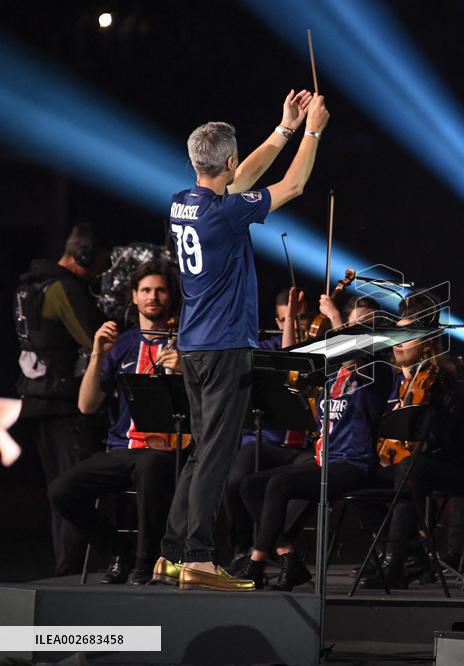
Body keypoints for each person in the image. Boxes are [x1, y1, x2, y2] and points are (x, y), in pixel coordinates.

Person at [154, 89, 330, 591]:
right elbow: (293, 186)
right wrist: (314, 129)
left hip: (192, 348)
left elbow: (241, 179)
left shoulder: (182, 204)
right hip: (226, 346)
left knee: (199, 451)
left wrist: (285, 128)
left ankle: (170, 554)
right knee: (215, 454)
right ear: (227, 160)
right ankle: (200, 560)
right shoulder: (224, 214)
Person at [234, 297, 392, 590]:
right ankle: (289, 558)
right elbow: (289, 364)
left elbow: (351, 353)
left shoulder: (379, 369)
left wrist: (334, 316)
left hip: (354, 465)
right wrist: (292, 319)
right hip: (326, 461)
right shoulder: (332, 372)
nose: (358, 328)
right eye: (354, 322)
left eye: (365, 323)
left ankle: (255, 563)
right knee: (250, 485)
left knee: (279, 485)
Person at [48, 260, 186, 585]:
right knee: (61, 491)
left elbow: (205, 407)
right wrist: (97, 354)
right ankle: (118, 550)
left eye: (161, 290)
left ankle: (145, 560)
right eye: (146, 290)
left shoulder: (187, 343)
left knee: (152, 468)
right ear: (134, 297)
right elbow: (86, 405)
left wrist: (184, 373)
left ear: (171, 297)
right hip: (121, 449)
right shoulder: (122, 344)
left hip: (167, 451)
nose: (153, 296)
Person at [358, 294, 464, 589]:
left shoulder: (443, 379)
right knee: (357, 477)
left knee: (409, 470)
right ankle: (415, 559)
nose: (398, 342)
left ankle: (394, 560)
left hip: (450, 464)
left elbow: (454, 438)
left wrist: (427, 423)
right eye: (396, 334)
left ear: (427, 342)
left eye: (408, 336)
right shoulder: (391, 379)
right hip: (407, 464)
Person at [15, 223, 111, 576]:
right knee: (72, 490)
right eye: (99, 263)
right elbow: (93, 337)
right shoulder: (64, 288)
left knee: (59, 490)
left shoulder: (28, 286)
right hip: (63, 405)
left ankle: (65, 567)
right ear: (84, 255)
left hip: (37, 399)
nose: (101, 273)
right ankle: (69, 570)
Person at [223, 287, 316, 571]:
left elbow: (298, 364)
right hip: (265, 441)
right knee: (235, 481)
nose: (295, 325)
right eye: (287, 320)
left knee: (310, 486)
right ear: (277, 323)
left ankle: (269, 547)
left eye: (300, 319)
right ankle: (253, 548)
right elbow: (287, 364)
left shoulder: (319, 353)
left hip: (303, 448)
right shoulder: (263, 352)